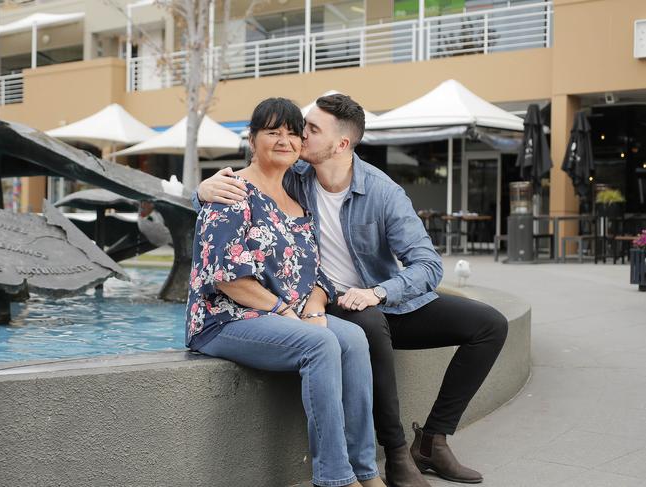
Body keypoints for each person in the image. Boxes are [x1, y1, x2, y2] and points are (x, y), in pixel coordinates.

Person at [195, 94, 509, 487]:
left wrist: (379, 291)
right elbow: (240, 189)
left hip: (378, 299)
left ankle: (431, 441)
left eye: (307, 130)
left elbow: (428, 265)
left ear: (341, 144)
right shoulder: (294, 176)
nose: (296, 137)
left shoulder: (382, 191)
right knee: (363, 328)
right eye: (292, 129)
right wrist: (202, 188)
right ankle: (392, 454)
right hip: (331, 304)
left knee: (489, 325)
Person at [186, 97, 386, 487]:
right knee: (322, 345)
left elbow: (315, 274)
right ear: (252, 138)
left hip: (283, 316)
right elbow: (224, 274)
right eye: (273, 132)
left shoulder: (297, 202)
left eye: (293, 133)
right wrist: (282, 309)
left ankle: (366, 470)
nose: (285, 140)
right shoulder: (230, 192)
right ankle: (335, 479)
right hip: (224, 319)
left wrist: (312, 309)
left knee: (355, 339)